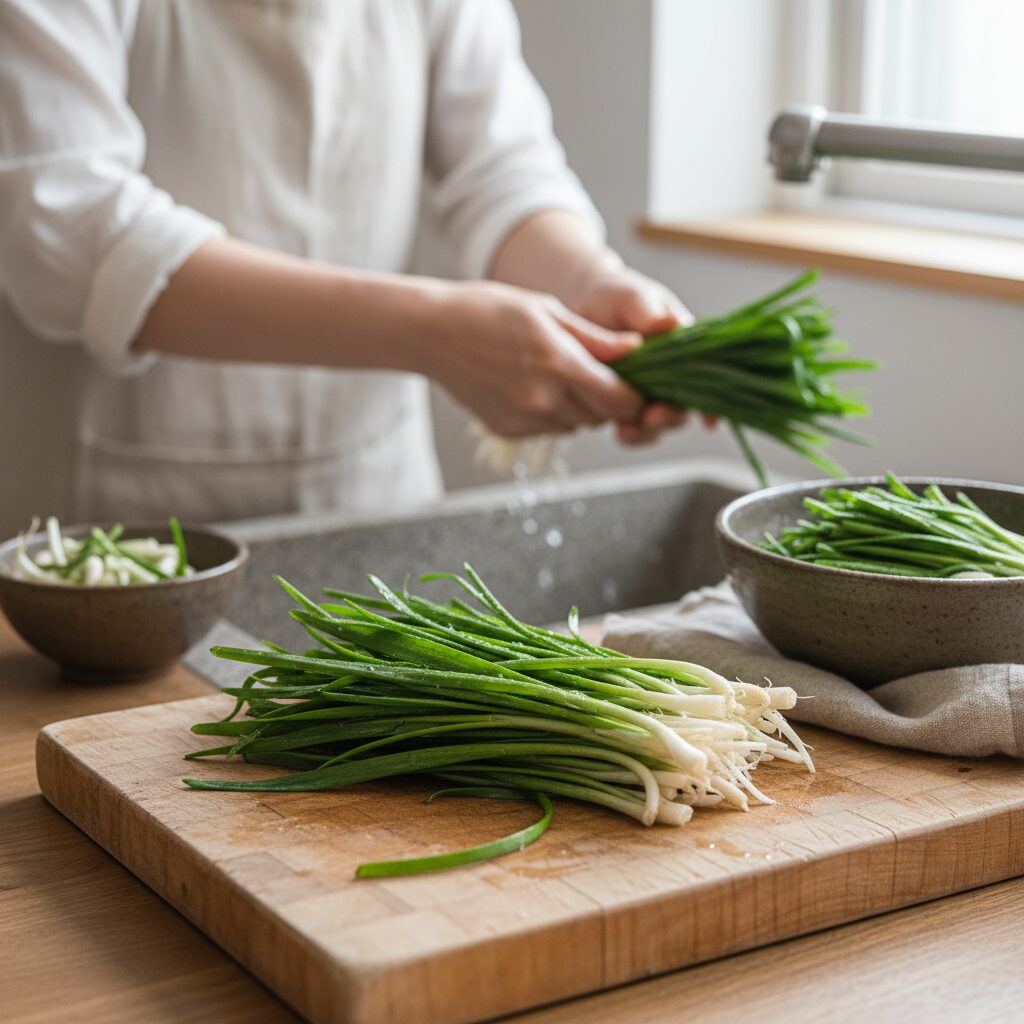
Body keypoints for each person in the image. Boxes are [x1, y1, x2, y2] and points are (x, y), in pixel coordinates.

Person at [1, 0, 698, 523]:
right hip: (111, 536)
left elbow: (499, 169)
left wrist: (588, 280)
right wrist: (427, 332)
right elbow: (68, 230)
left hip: (374, 503)